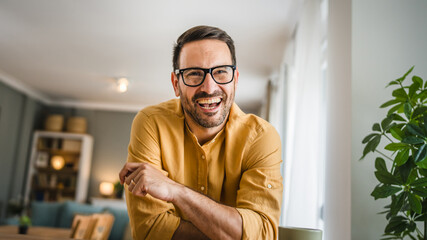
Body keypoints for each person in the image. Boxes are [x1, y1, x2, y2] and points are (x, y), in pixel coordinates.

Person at [119, 25, 283, 240]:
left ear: (235, 80)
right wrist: (231, 232)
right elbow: (150, 230)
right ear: (176, 84)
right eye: (194, 73)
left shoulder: (262, 136)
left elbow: (262, 234)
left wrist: (175, 191)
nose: (209, 86)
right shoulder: (151, 123)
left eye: (221, 72)